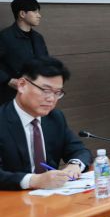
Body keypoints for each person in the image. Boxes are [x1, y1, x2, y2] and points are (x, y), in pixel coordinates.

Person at [0, 56, 91, 191]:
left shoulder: (55, 117)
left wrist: (74, 164)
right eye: (45, 90)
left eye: (57, 93)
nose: (51, 99)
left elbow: (80, 150)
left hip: (51, 197)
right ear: (22, 85)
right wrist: (34, 181)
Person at [0, 0, 49, 105]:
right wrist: (8, 80)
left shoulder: (38, 37)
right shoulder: (5, 37)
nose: (39, 15)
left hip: (36, 94)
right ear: (22, 14)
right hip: (11, 97)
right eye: (35, 12)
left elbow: (46, 61)